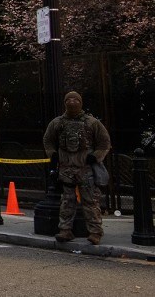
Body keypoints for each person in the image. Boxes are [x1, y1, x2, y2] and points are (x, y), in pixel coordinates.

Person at [43, 90, 111, 245]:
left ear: (81, 103)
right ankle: (65, 230)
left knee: (90, 201)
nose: (72, 102)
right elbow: (48, 140)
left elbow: (104, 142)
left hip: (85, 168)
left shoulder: (91, 122)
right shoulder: (58, 123)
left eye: (75, 99)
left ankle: (95, 232)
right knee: (67, 200)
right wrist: (52, 155)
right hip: (66, 168)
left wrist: (96, 156)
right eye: (69, 99)